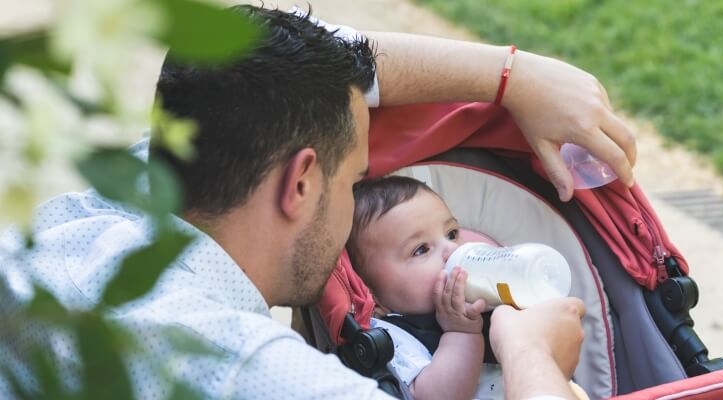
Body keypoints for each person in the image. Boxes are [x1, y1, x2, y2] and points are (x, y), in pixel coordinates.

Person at [0, 5, 617, 399]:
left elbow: (310, 50)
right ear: (300, 184)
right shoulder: (252, 374)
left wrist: (516, 77)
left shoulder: (135, 193)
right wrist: (533, 357)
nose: (351, 204)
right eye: (351, 182)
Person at [346, 176, 589, 400]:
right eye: (421, 249)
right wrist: (460, 333)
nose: (452, 250)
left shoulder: (485, 296)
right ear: (372, 296)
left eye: (451, 234)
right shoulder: (391, 337)